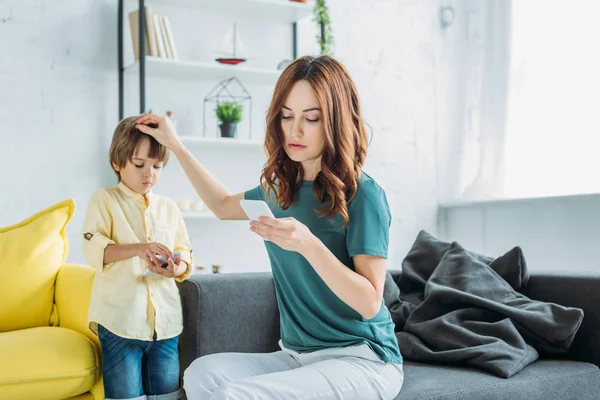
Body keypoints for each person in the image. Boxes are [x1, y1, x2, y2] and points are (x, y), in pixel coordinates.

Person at [136, 55, 404, 400]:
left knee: (231, 395)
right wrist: (175, 144)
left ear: (336, 121)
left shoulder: (364, 194)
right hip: (298, 356)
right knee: (201, 374)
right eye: (287, 116)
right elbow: (220, 205)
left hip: (363, 360)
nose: (295, 130)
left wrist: (308, 244)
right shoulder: (280, 190)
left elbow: (369, 302)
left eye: (311, 118)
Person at [82, 115, 193, 400]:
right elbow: (96, 250)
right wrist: (138, 248)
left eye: (157, 166)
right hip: (120, 322)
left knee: (168, 395)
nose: (149, 174)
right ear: (118, 163)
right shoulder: (104, 201)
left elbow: (185, 254)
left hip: (166, 324)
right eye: (139, 164)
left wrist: (174, 268)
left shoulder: (169, 207)